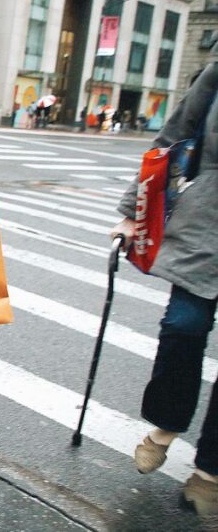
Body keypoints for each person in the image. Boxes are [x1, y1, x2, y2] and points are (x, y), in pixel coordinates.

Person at [111, 55, 217, 517]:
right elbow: (171, 140)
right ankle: (167, 426)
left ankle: (211, 470)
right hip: (208, 222)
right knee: (182, 327)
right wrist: (133, 211)